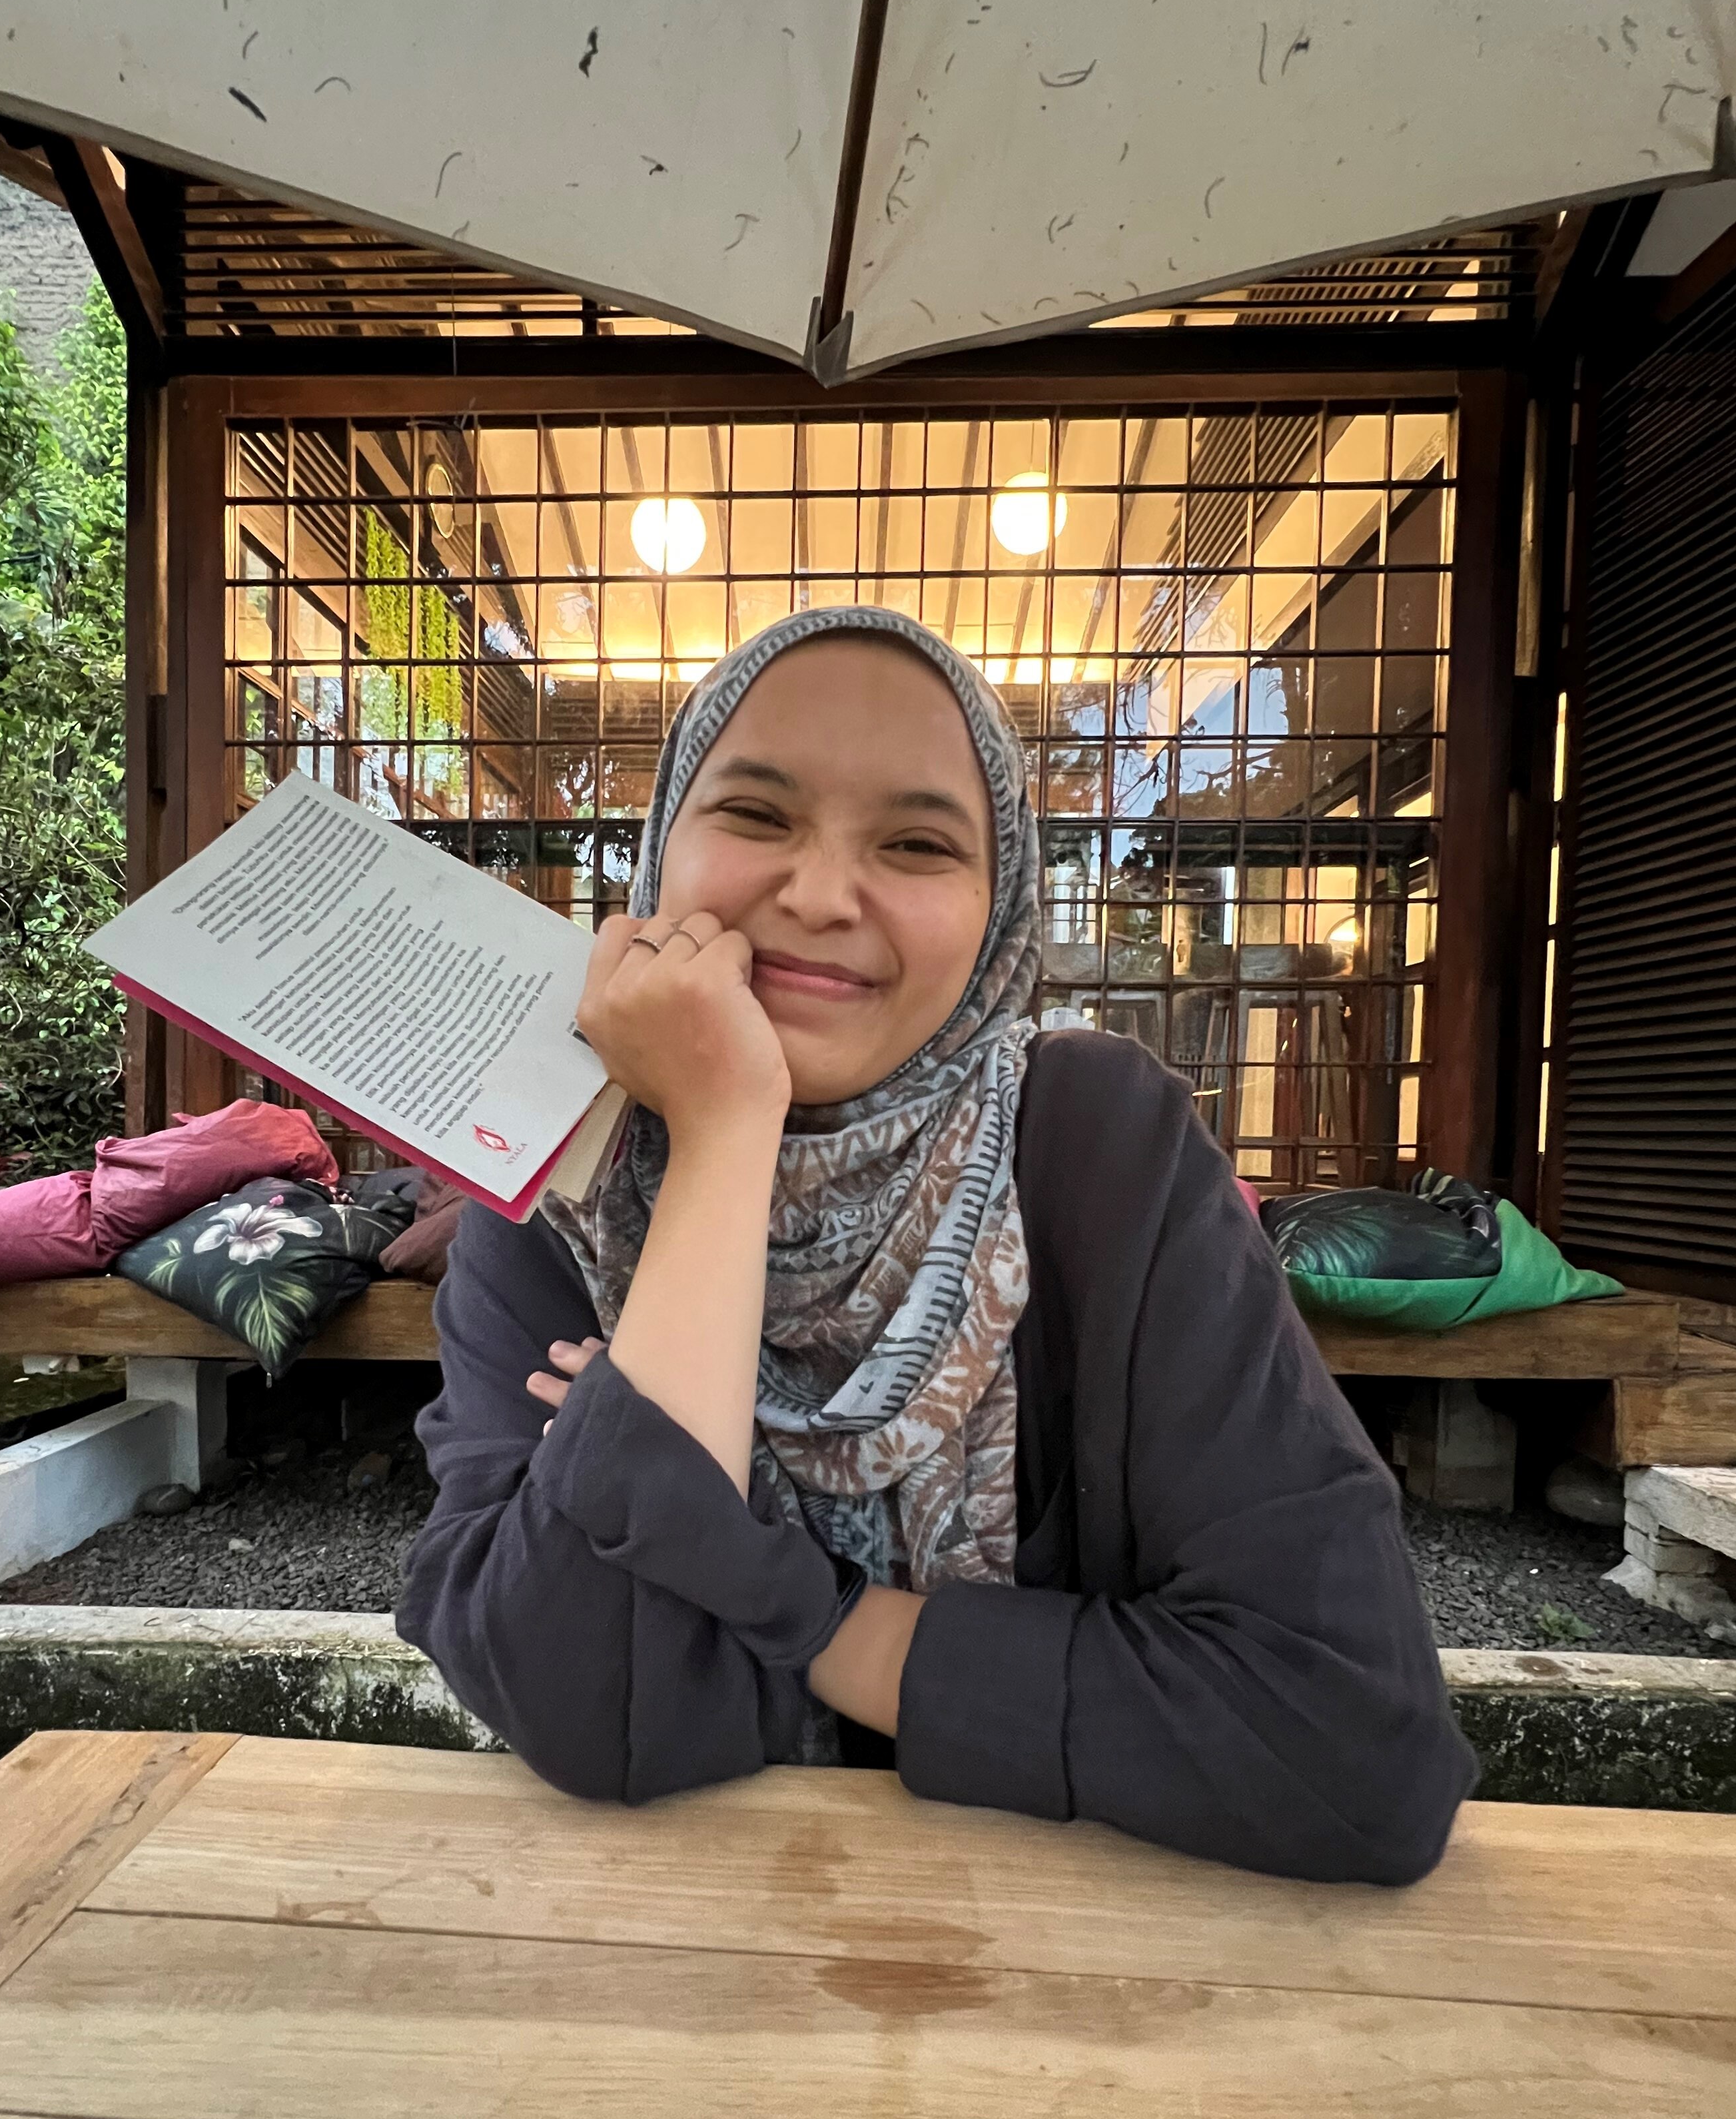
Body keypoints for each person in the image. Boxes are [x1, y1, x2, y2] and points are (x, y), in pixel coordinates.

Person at [398, 605, 1476, 1883]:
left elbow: (1352, 1749)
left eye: (915, 842)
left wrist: (793, 1604)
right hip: (664, 1983)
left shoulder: (1096, 1145)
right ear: (659, 852)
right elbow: (592, 1708)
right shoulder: (552, 1191)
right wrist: (725, 1131)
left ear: (997, 900)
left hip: (1077, 1996)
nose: (818, 895)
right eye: (754, 816)